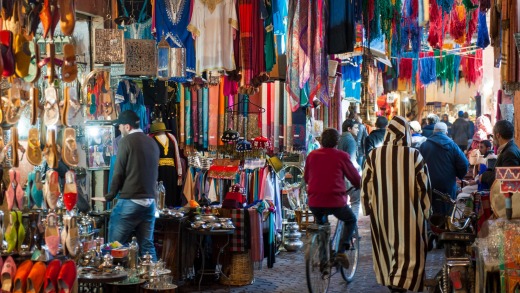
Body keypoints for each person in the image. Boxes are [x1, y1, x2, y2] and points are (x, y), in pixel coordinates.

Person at [361, 116, 431, 293]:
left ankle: (393, 284)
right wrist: (428, 211)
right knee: (409, 252)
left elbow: (366, 184)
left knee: (387, 250)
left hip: (381, 215)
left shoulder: (374, 155)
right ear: (406, 133)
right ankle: (401, 285)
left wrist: (367, 208)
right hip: (410, 215)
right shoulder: (414, 155)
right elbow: (424, 187)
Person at [105, 110, 160, 260]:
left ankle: (113, 282)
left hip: (131, 201)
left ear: (127, 127)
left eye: (120, 126)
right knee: (147, 246)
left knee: (114, 246)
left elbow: (119, 172)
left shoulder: (126, 141)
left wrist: (110, 196)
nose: (119, 129)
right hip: (149, 203)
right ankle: (153, 281)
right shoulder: (152, 142)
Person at [304, 128, 361, 269]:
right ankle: (341, 251)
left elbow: (306, 178)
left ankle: (323, 260)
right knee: (351, 219)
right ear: (337, 142)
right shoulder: (341, 156)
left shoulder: (312, 155)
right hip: (335, 201)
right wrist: (358, 184)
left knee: (322, 225)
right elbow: (354, 177)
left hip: (315, 201)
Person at [419, 122, 469, 216]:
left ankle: (431, 228)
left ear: (433, 132)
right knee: (447, 209)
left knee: (430, 208)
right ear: (446, 133)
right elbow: (464, 164)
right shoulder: (452, 145)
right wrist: (458, 175)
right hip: (447, 184)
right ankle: (445, 227)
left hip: (429, 183)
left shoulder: (424, 145)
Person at [480, 120, 520, 187]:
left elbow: (506, 180)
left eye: (493, 136)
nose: (493, 139)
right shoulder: (509, 149)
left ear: (498, 135)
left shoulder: (509, 153)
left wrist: (484, 176)